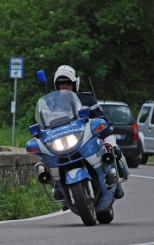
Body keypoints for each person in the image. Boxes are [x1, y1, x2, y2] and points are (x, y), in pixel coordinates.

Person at [52, 65, 124, 201]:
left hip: (88, 138)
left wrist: (99, 128)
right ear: (57, 86)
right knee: (50, 155)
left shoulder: (87, 99)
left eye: (68, 83)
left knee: (110, 148)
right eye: (61, 83)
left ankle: (115, 176)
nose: (65, 86)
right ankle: (58, 186)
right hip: (66, 142)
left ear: (75, 84)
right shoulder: (53, 105)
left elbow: (101, 120)